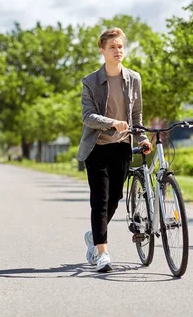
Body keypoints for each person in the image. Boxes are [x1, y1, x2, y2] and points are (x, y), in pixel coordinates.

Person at [76, 27, 152, 272]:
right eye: (112, 47)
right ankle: (103, 252)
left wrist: (141, 138)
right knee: (100, 200)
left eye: (120, 46)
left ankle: (94, 234)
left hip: (121, 146)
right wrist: (111, 123)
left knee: (115, 199)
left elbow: (137, 114)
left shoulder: (134, 78)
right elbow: (88, 116)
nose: (118, 51)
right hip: (97, 147)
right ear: (102, 50)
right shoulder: (90, 82)